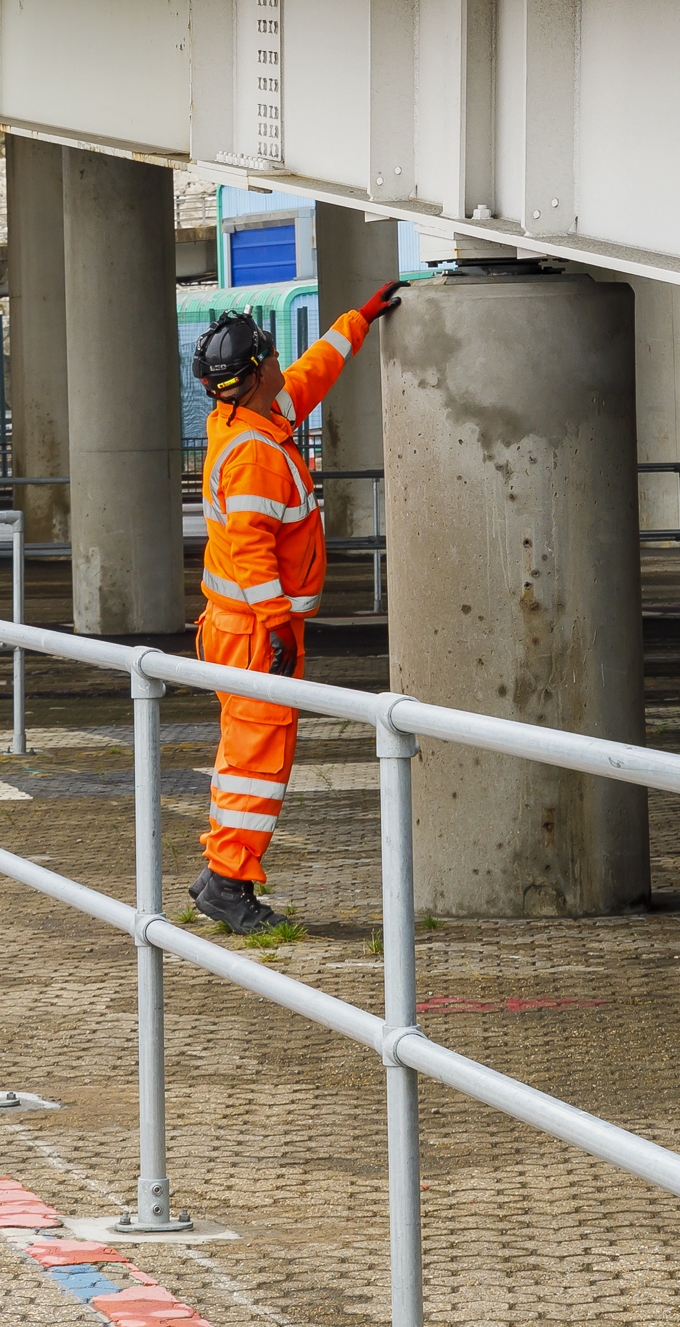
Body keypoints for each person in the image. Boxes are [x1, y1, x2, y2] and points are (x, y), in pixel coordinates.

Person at [188, 276, 409, 933]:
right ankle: (229, 883)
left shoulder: (250, 418)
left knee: (249, 754)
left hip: (241, 626)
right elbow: (253, 549)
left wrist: (358, 320)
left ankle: (220, 869)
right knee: (258, 761)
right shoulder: (255, 454)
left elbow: (310, 374)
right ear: (256, 374)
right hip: (257, 629)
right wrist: (280, 621)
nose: (284, 361)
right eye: (271, 354)